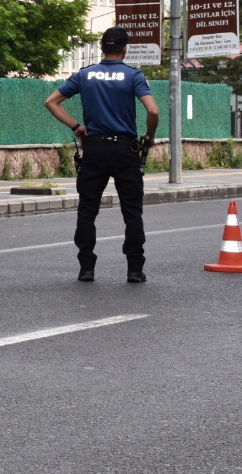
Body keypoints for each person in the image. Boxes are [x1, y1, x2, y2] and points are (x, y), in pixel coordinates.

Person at [43, 26, 160, 284]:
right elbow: (152, 112)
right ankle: (134, 269)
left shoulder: (85, 75)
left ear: (102, 48)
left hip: (94, 148)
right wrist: (149, 138)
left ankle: (86, 267)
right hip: (125, 149)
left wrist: (76, 127)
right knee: (132, 211)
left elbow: (51, 101)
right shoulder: (133, 75)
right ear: (125, 48)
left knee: (87, 209)